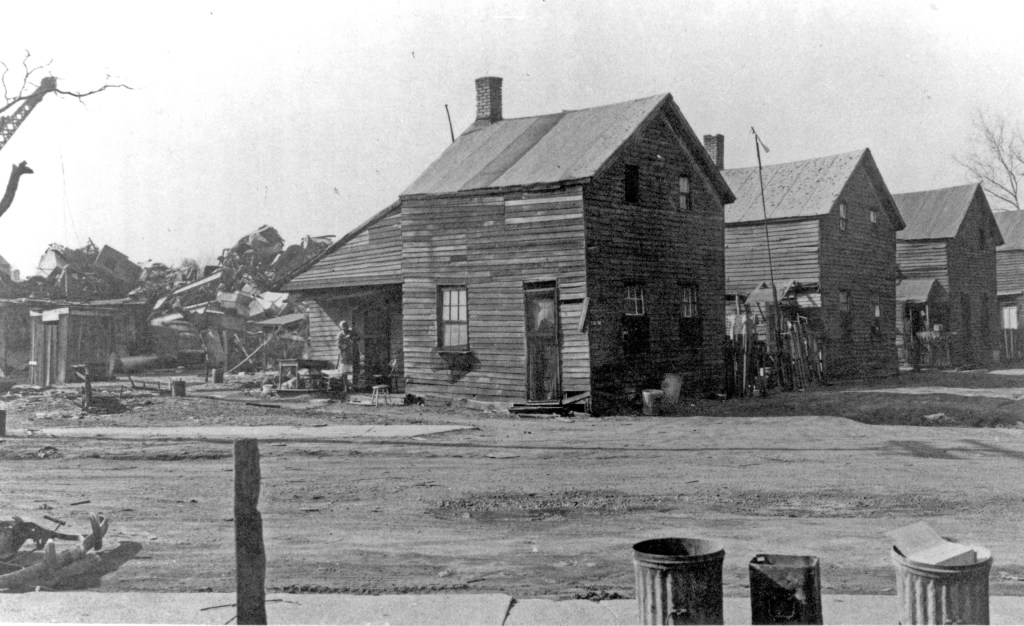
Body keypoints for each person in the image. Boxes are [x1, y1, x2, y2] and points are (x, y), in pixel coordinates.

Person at [336, 321, 359, 392]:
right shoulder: (340, 335)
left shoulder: (352, 332)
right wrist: (346, 342)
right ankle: (346, 387)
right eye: (343, 327)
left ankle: (355, 386)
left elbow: (358, 338)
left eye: (346, 326)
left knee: (355, 370)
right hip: (345, 356)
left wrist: (353, 338)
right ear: (341, 328)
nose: (345, 328)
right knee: (344, 372)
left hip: (353, 354)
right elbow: (339, 346)